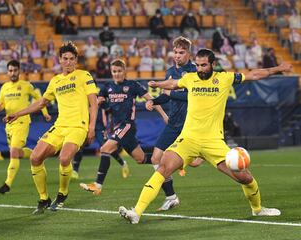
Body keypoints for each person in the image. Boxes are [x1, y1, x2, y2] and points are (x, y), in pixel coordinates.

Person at [119, 48, 292, 224]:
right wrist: (158, 84)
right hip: (188, 140)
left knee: (245, 177)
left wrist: (277, 68)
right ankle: (137, 212)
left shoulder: (224, 78)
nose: (200, 69)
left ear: (212, 64)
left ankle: (258, 209)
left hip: (213, 142)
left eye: (203, 65)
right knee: (163, 168)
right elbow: (173, 84)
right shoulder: (190, 78)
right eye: (198, 65)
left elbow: (254, 74)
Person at [4, 41, 99, 214]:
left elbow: (93, 103)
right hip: (60, 125)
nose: (68, 62)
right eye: (65, 58)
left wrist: (91, 127)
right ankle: (44, 198)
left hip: (78, 126)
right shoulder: (55, 81)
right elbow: (41, 103)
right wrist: (18, 113)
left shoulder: (84, 75)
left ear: (76, 60)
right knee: (35, 157)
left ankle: (62, 194)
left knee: (64, 158)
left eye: (72, 58)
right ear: (60, 60)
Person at [79, 59, 168, 195]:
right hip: (117, 128)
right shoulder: (106, 87)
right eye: (114, 71)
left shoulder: (132, 85)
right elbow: (99, 103)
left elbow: (151, 99)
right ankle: (170, 160)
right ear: (111, 72)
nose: (117, 74)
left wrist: (164, 115)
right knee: (141, 159)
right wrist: (100, 102)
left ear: (124, 71)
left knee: (105, 149)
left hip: (127, 126)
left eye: (119, 71)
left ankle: (98, 185)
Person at [144, 36, 204, 211]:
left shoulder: (195, 71)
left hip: (189, 123)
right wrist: (154, 102)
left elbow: (192, 95)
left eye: (181, 52)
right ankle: (171, 197)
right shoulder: (170, 71)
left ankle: (208, 154)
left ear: (189, 53)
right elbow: (166, 94)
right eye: (175, 52)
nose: (177, 56)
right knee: (155, 158)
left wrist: (170, 94)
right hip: (173, 121)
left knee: (193, 163)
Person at [0, 60, 51, 194]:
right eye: (10, 71)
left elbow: (39, 99)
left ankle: (7, 183)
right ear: (7, 72)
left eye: (15, 70)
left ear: (19, 71)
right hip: (9, 125)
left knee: (13, 151)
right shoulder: (4, 87)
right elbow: (1, 103)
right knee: (17, 153)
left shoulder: (26, 86)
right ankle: (35, 155)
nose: (12, 73)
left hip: (22, 122)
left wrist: (45, 113)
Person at [71, 106, 129, 180]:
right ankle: (75, 171)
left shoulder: (100, 97)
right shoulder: (85, 97)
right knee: (80, 145)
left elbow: (108, 108)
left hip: (99, 126)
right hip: (86, 124)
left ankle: (123, 164)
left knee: (107, 147)